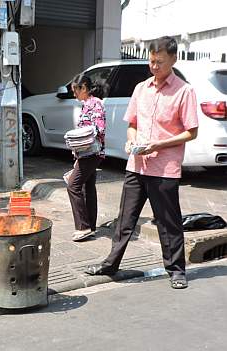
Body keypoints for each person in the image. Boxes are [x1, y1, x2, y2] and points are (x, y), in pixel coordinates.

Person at [85, 36, 199, 289]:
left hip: (165, 168)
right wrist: (131, 140)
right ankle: (110, 264)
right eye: (151, 60)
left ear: (173, 59)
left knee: (168, 222)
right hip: (137, 165)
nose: (154, 66)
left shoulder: (184, 91)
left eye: (160, 61)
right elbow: (132, 124)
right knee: (125, 220)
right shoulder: (141, 88)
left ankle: (177, 270)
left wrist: (158, 144)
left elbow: (192, 132)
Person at [67, 74, 107, 242]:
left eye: (75, 90)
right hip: (86, 154)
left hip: (91, 154)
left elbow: (99, 128)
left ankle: (83, 227)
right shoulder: (86, 105)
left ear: (84, 87)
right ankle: (90, 226)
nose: (74, 94)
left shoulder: (95, 103)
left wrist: (78, 137)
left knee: (73, 185)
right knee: (87, 189)